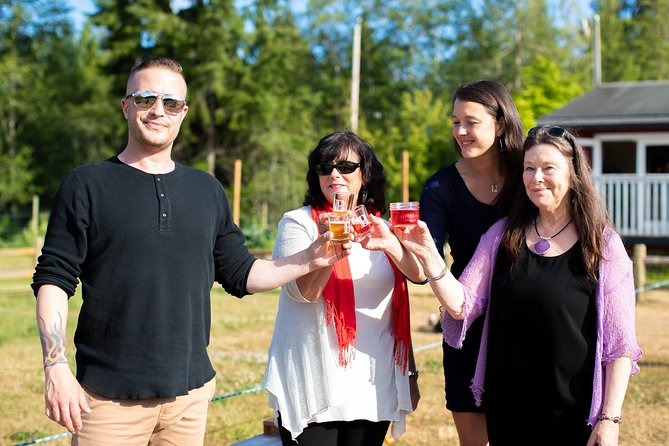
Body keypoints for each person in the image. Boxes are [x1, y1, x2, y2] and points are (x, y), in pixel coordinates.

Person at [31, 57, 350, 446]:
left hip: (190, 399)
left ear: (183, 112)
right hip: (107, 401)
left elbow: (241, 274)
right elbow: (53, 279)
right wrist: (55, 366)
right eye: (146, 98)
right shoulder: (85, 185)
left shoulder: (207, 190)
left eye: (171, 103)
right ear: (126, 105)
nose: (158, 111)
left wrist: (311, 258)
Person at [397, 126, 642, 445]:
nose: (536, 177)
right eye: (529, 168)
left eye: (548, 168)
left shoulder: (603, 245)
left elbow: (619, 346)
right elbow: (462, 305)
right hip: (508, 412)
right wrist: (432, 262)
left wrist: (609, 419)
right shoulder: (501, 236)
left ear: (573, 174)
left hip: (575, 415)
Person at [263, 130, 422, 445]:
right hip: (315, 387)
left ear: (365, 174)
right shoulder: (299, 224)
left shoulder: (382, 228)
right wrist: (328, 253)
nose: (334, 174)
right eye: (324, 167)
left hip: (372, 386)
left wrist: (411, 375)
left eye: (346, 166)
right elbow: (304, 293)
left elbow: (411, 286)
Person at [419, 79, 524, 446]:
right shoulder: (439, 188)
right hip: (468, 325)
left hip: (527, 325)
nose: (460, 131)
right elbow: (422, 266)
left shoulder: (530, 176)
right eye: (454, 122)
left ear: (501, 124)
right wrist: (400, 246)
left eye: (471, 122)